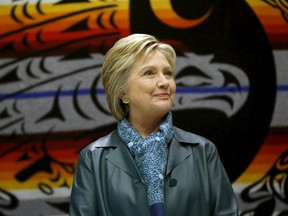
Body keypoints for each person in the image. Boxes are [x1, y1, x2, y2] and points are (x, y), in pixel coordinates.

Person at [69, 33, 239, 216]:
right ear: (122, 92)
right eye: (149, 73)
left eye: (168, 73)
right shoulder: (93, 159)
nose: (164, 82)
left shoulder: (203, 151)